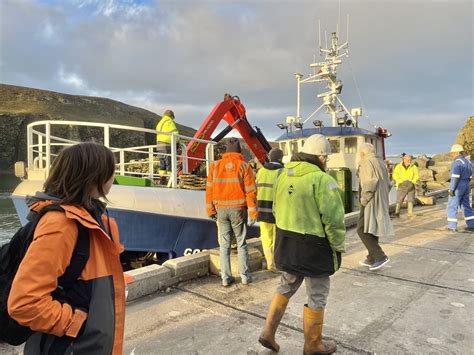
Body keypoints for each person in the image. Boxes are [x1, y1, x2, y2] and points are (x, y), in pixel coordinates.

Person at [8, 142, 125, 354]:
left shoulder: (91, 218)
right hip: (69, 347)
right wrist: (78, 325)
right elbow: (24, 302)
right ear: (93, 176)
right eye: (110, 171)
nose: (113, 178)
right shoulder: (61, 224)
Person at [259, 134, 345, 354]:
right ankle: (313, 344)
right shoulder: (323, 180)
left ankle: (268, 332)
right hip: (313, 248)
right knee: (317, 293)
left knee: (286, 285)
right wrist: (337, 246)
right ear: (322, 157)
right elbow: (334, 220)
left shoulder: (283, 176)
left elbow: (277, 210)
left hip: (286, 242)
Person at [205, 138, 257, 286]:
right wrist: (253, 213)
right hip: (238, 209)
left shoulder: (215, 166)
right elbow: (251, 192)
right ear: (239, 151)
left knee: (224, 245)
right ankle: (245, 276)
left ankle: (225, 278)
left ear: (226, 152)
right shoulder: (244, 166)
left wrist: (210, 210)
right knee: (241, 243)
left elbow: (209, 189)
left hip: (220, 209)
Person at [357, 143, 394, 271]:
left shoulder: (366, 162)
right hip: (381, 199)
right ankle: (371, 257)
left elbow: (369, 183)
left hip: (371, 201)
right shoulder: (380, 162)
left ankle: (380, 256)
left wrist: (364, 199)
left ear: (362, 153)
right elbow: (389, 184)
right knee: (371, 228)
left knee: (361, 229)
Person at [256, 148, 284, 271]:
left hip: (262, 210)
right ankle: (278, 264)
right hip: (277, 211)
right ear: (281, 158)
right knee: (278, 238)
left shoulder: (260, 172)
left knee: (266, 238)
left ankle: (270, 264)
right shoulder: (283, 172)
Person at [447, 144, 474, 232]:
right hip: (466, 184)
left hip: (458, 185)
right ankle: (472, 224)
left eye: (452, 153)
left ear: (456, 152)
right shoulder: (468, 161)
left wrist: (452, 189)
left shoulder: (457, 162)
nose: (451, 154)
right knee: (466, 206)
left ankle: (452, 227)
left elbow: (455, 176)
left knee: (452, 206)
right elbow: (471, 174)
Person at [156, 110, 179, 175]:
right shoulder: (169, 122)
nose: (173, 119)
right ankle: (170, 179)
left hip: (159, 145)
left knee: (162, 163)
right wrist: (177, 142)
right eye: (173, 117)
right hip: (167, 145)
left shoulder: (160, 123)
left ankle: (162, 179)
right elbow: (175, 134)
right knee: (169, 163)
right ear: (171, 116)